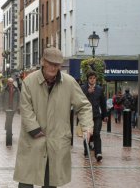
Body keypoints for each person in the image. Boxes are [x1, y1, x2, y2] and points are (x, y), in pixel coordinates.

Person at [13, 47, 93, 187]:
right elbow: (26, 109)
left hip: (57, 141)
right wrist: (35, 130)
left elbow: (84, 106)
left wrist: (87, 126)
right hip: (33, 140)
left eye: (56, 64)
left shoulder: (69, 82)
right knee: (26, 181)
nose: (53, 67)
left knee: (50, 182)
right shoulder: (29, 81)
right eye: (50, 63)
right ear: (43, 61)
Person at [81, 71, 108, 162]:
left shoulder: (100, 89)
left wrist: (105, 115)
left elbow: (103, 103)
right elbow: (80, 100)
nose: (92, 80)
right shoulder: (83, 88)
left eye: (94, 78)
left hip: (97, 115)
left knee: (96, 133)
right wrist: (87, 93)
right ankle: (87, 151)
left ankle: (98, 153)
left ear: (96, 79)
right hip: (86, 116)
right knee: (87, 134)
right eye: (90, 78)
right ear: (88, 79)